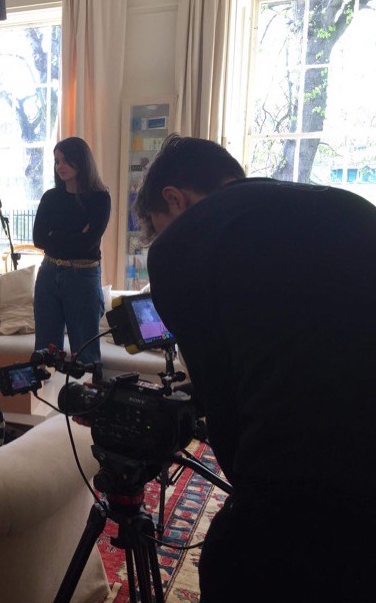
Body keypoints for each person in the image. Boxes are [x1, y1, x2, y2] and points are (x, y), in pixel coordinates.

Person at [132, 134, 376, 603]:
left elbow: (223, 404)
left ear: (174, 199)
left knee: (232, 560)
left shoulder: (184, 243)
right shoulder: (350, 207)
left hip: (301, 489)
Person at [32, 136, 111, 364]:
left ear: (81, 161)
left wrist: (55, 236)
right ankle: (45, 398)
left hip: (83, 275)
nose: (60, 167)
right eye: (57, 161)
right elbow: (38, 239)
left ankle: (88, 398)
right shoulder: (50, 197)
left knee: (85, 352)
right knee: (45, 352)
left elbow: (88, 243)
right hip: (48, 273)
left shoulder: (99, 199)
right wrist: (77, 234)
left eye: (66, 160)